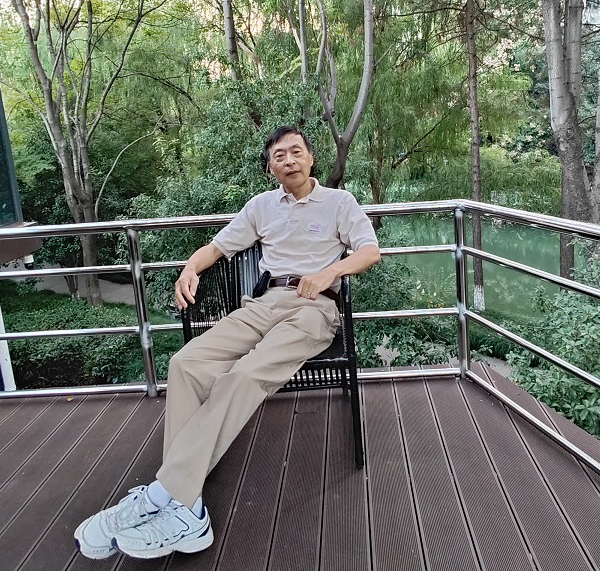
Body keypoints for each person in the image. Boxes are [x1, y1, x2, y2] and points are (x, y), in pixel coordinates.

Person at [74, 126, 380, 560]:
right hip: (264, 302)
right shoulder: (261, 206)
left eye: (296, 151)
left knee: (244, 375)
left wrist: (329, 272)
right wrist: (189, 269)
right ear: (270, 167)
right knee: (185, 364)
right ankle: (187, 506)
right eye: (278, 156)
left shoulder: (339, 202)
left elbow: (369, 251)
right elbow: (216, 248)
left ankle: (165, 497)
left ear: (311, 157)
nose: (289, 160)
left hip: (314, 308)